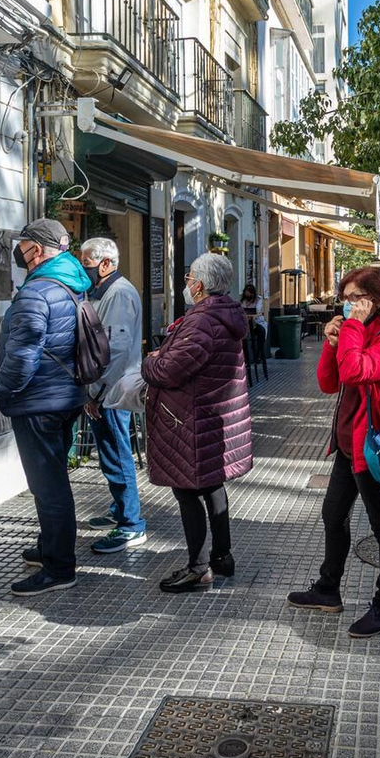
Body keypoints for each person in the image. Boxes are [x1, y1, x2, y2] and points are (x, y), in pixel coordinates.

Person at [290, 266, 380, 638]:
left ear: (377, 300)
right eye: (345, 299)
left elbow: (359, 371)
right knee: (332, 515)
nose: (347, 306)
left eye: (354, 298)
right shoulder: (357, 331)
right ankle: (328, 588)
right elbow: (329, 383)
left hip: (373, 449)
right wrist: (331, 343)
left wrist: (352, 333)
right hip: (347, 445)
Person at [0, 218, 92, 596]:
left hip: (38, 402)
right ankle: (51, 548)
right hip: (65, 397)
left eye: (23, 244)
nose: (19, 251)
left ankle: (59, 567)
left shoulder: (36, 293)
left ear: (36, 250)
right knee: (54, 482)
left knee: (48, 488)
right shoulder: (72, 285)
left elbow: (22, 357)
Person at [142, 253, 252, 591]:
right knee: (211, 484)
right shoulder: (223, 315)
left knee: (188, 489)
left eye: (189, 277)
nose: (186, 283)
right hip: (210, 414)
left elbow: (171, 369)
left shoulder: (202, 320)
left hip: (191, 418)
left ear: (200, 285)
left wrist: (151, 362)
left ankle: (198, 567)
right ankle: (221, 557)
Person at [79, 237, 146, 554]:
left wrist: (96, 390)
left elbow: (115, 350)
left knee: (117, 455)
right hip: (107, 389)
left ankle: (131, 525)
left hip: (113, 391)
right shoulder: (105, 292)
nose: (84, 268)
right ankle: (121, 511)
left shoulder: (118, 294)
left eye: (87, 263)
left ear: (106, 263)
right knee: (111, 454)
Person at [241, 283, 268, 362]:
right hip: (246, 323)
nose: (248, 294)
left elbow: (257, 310)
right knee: (244, 337)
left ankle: (259, 355)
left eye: (249, 292)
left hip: (257, 322)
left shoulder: (258, 299)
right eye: (246, 292)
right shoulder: (243, 300)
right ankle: (246, 357)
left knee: (261, 333)